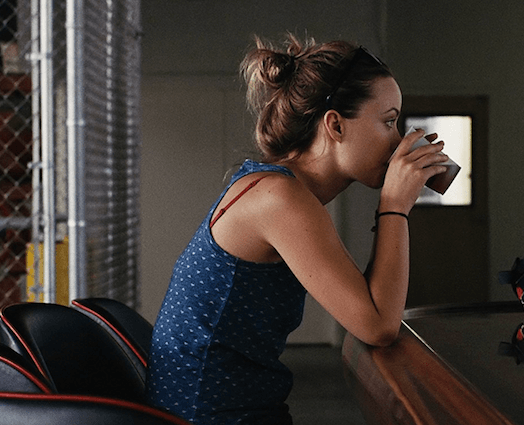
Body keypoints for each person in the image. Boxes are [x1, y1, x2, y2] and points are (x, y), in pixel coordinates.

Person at [145, 33, 449, 425]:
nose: (398, 142)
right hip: (206, 416)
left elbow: (370, 307)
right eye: (388, 122)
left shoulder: (279, 188)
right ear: (335, 125)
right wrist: (394, 205)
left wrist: (394, 205)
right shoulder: (280, 198)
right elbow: (378, 325)